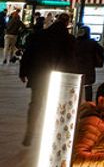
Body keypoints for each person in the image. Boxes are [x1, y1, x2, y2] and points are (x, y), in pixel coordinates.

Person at [20, 13, 75, 147]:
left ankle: (30, 132)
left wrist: (23, 71)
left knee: (36, 104)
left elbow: (28, 53)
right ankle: (51, 133)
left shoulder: (39, 35)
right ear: (67, 23)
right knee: (56, 106)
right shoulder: (68, 39)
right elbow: (71, 60)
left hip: (38, 74)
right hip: (58, 76)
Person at [73, 26, 104, 102]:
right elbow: (101, 50)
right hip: (88, 67)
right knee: (88, 86)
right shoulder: (92, 42)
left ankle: (75, 101)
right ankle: (89, 102)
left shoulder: (75, 42)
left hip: (76, 66)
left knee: (76, 85)